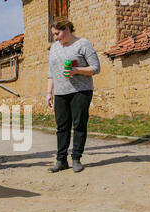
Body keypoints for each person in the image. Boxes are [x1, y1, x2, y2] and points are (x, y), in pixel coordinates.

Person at [46, 17, 101, 173]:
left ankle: (76, 158)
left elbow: (96, 68)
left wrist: (77, 71)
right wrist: (49, 92)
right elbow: (51, 72)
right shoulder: (55, 48)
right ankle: (61, 160)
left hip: (81, 91)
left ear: (67, 30)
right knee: (61, 127)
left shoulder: (83, 44)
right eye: (54, 35)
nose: (55, 38)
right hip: (61, 92)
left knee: (79, 125)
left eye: (57, 34)